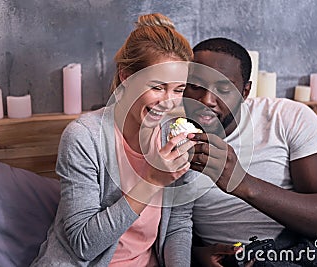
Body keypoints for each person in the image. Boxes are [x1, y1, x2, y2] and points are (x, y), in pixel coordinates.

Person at [164, 37, 317, 267]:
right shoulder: (170, 139)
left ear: (245, 92)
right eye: (195, 87)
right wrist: (198, 255)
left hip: (297, 251)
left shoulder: (285, 118)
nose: (207, 100)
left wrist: (244, 183)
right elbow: (170, 226)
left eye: (224, 89)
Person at [31, 13, 195, 266]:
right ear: (126, 77)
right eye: (157, 87)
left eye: (179, 90)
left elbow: (177, 225)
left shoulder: (176, 137)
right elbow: (83, 245)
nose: (169, 102)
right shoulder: (84, 137)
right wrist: (152, 181)